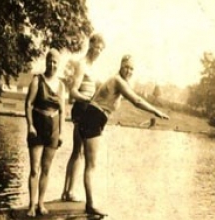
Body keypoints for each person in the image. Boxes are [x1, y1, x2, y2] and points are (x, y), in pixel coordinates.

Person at [78, 54, 170, 216]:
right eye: (126, 67)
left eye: (132, 69)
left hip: (94, 117)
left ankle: (89, 203)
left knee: (89, 163)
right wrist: (156, 111)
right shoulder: (118, 81)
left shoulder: (117, 81)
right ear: (121, 65)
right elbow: (137, 101)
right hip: (93, 118)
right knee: (91, 165)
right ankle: (90, 205)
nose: (129, 71)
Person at [61, 34, 105, 202]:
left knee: (78, 152)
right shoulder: (82, 65)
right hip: (81, 109)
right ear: (90, 45)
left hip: (89, 110)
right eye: (97, 47)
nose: (98, 51)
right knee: (77, 151)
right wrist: (88, 99)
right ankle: (68, 192)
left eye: (101, 49)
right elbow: (72, 92)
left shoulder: (93, 67)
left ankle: (67, 191)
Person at [25, 48, 66, 217]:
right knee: (35, 169)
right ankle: (32, 205)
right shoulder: (37, 80)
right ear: (46, 62)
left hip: (53, 130)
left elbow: (63, 111)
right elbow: (28, 104)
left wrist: (61, 133)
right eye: (49, 60)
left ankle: (41, 203)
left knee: (46, 169)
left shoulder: (62, 85)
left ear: (58, 64)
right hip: (37, 129)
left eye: (55, 61)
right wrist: (30, 126)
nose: (52, 64)